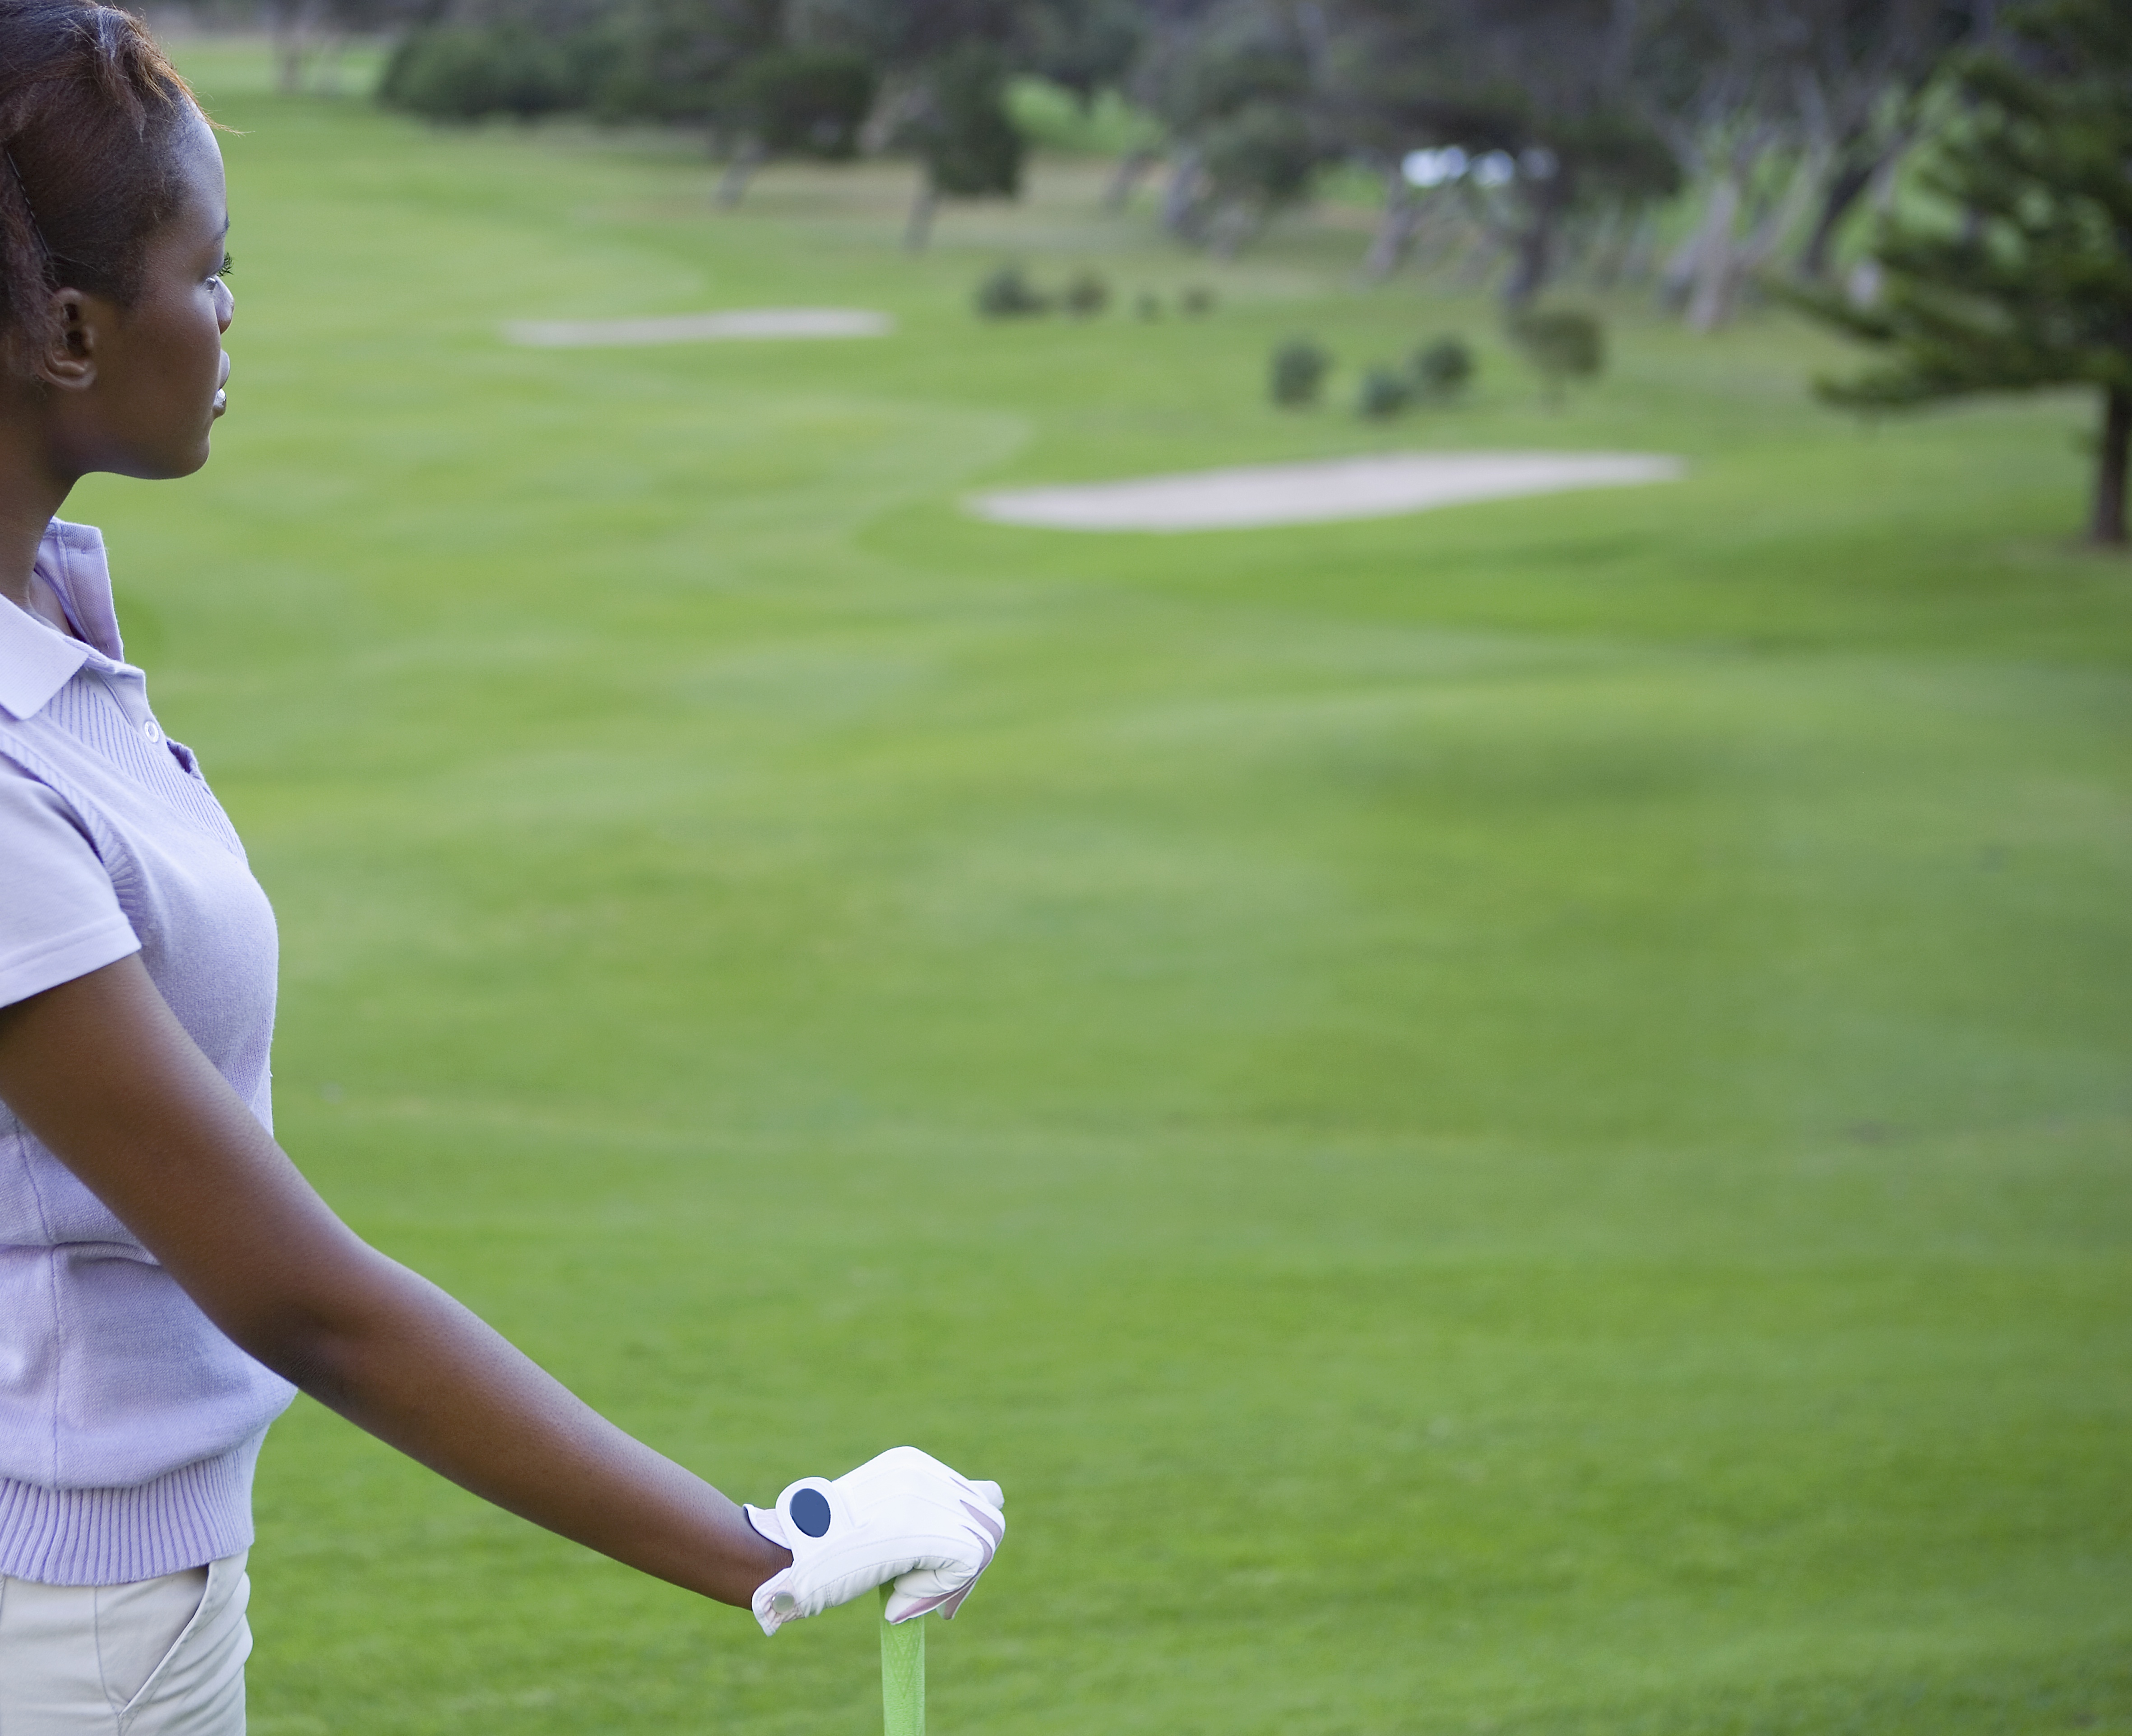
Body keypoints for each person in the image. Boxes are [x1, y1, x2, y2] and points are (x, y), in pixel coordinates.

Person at [0, 6, 1004, 1731]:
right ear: (74, 329)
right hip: (52, 1636)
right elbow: (303, 1302)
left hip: (125, 1603)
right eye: (209, 270)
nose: (232, 316)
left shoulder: (55, 633)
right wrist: (769, 1544)